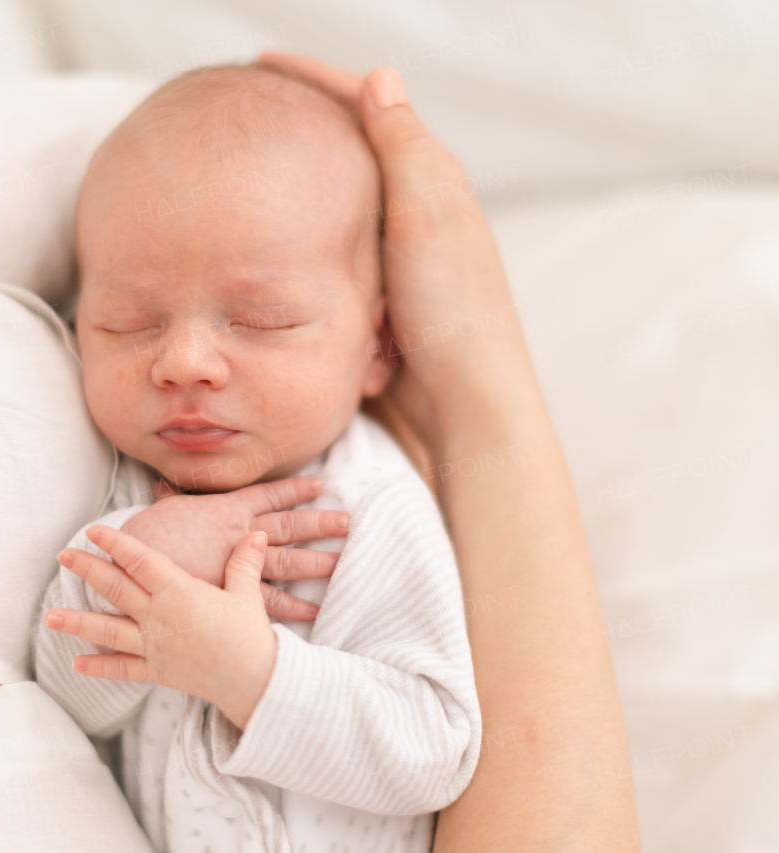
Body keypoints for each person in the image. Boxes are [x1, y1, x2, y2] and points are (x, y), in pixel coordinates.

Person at [46, 55, 642, 852]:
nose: (183, 361)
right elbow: (62, 691)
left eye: (258, 320)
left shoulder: (366, 508)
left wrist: (250, 674)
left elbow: (433, 748)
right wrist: (134, 572)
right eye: (125, 321)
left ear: (379, 345)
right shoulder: (124, 486)